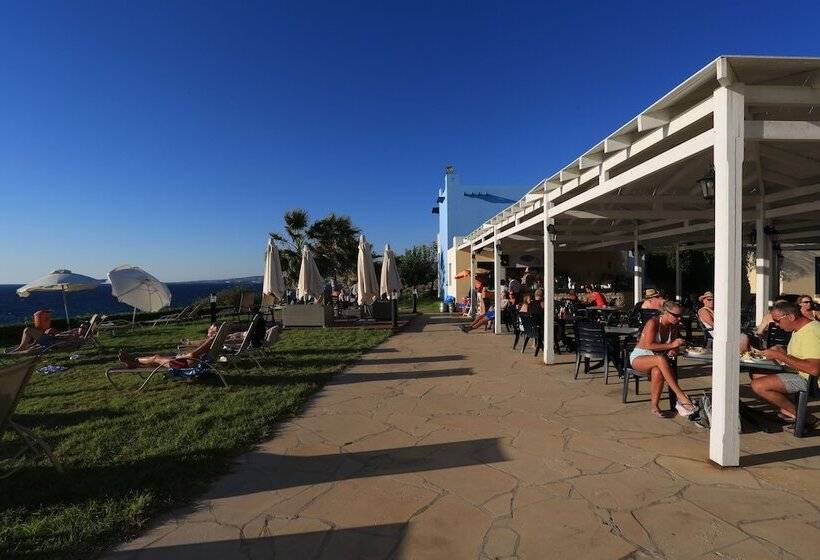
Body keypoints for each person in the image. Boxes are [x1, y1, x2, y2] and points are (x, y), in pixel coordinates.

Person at [750, 301, 820, 430]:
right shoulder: (799, 329)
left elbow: (814, 369)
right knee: (758, 374)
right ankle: (789, 411)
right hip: (801, 373)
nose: (776, 324)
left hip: (811, 380)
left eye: (777, 321)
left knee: (758, 385)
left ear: (791, 317)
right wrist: (782, 350)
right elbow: (802, 354)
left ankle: (804, 417)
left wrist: (780, 356)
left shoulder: (811, 332)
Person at [628, 301, 696, 417]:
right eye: (676, 315)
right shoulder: (653, 322)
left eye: (680, 315)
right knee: (660, 359)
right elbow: (648, 345)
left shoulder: (673, 326)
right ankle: (681, 396)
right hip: (639, 357)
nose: (679, 318)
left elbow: (675, 344)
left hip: (658, 360)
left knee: (657, 371)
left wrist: (674, 350)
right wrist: (672, 345)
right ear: (665, 312)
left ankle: (655, 407)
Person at [118, 324, 219, 370]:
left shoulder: (210, 341)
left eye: (211, 329)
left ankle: (133, 360)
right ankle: (134, 362)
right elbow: (199, 348)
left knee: (156, 358)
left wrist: (182, 356)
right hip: (191, 361)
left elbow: (193, 354)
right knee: (159, 358)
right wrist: (188, 345)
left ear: (214, 333)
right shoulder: (213, 341)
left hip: (186, 363)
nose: (208, 330)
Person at [7, 310, 90, 354]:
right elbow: (62, 334)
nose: (80, 328)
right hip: (51, 339)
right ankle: (24, 347)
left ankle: (20, 349)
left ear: (86, 330)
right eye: (80, 327)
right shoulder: (76, 332)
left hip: (51, 343)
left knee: (28, 330)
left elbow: (64, 343)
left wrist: (61, 336)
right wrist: (57, 333)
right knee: (32, 333)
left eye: (83, 328)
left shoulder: (79, 338)